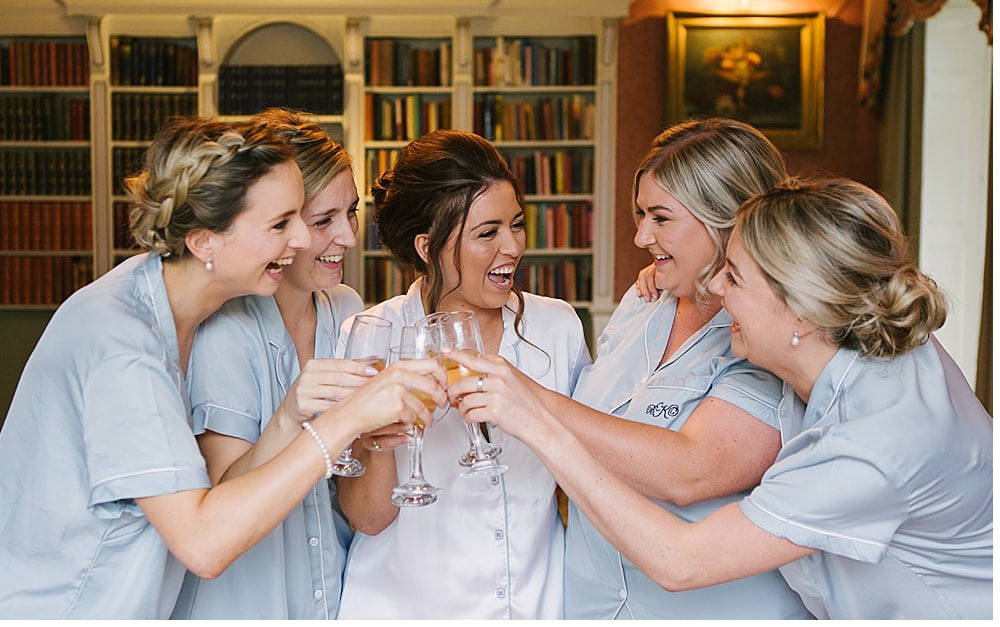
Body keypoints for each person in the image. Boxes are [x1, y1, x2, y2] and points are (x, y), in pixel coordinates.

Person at [452, 176, 993, 619]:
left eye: (732, 277)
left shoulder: (874, 444)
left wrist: (541, 424)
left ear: (802, 308)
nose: (713, 291)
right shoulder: (871, 328)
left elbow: (679, 562)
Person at [0, 116, 445, 619]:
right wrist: (345, 420)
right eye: (279, 224)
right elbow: (204, 546)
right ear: (204, 241)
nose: (299, 241)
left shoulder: (160, 303)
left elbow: (219, 494)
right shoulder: (122, 346)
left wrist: (293, 416)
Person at [445, 118, 812, 619]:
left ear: (726, 219)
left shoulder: (764, 336)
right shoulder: (642, 302)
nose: (641, 236)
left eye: (661, 218)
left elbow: (690, 471)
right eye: (640, 214)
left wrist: (528, 399)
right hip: (595, 606)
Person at [335, 129, 591, 619]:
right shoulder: (371, 334)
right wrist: (376, 435)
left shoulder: (556, 326)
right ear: (429, 247)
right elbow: (367, 517)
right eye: (487, 233)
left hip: (533, 608)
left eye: (516, 224)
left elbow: (588, 471)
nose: (512, 247)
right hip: (402, 608)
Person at [171, 109, 369, 618]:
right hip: (248, 598)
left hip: (335, 584)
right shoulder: (227, 328)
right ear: (280, 227)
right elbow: (223, 495)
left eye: (352, 212)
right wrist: (292, 418)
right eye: (323, 220)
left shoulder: (347, 309)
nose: (347, 237)